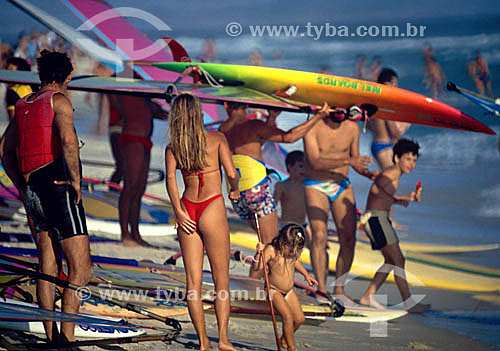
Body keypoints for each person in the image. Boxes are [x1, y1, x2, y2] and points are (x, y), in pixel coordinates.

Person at [0, 50, 92, 343]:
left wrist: (20, 184)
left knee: (47, 266)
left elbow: (4, 149)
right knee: (81, 269)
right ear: (67, 77)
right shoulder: (59, 101)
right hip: (57, 185)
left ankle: (52, 338)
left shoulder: (24, 104)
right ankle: (66, 339)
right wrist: (76, 181)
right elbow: (67, 141)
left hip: (33, 188)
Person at [219, 101, 330, 278]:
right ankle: (255, 289)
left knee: (266, 243)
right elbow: (290, 137)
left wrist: (271, 118)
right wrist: (318, 116)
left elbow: (253, 146)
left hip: (236, 195)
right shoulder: (252, 125)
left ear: (226, 106)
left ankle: (259, 287)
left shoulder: (222, 129)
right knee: (270, 245)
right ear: (246, 106)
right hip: (256, 191)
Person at [165, 94, 240, 351]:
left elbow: (171, 180)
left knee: (192, 282)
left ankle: (203, 342)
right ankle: (223, 339)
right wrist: (236, 188)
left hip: (187, 208)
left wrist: (179, 211)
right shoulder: (217, 139)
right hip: (212, 207)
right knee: (221, 281)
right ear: (198, 113)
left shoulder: (174, 146)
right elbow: (231, 173)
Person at [303, 107, 376, 302]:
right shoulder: (313, 127)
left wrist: (370, 174)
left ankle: (340, 290)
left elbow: (355, 161)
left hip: (341, 184)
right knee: (319, 235)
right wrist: (350, 160)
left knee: (349, 237)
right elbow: (315, 161)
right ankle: (322, 289)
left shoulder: (352, 128)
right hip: (315, 184)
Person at [359, 139, 430, 313]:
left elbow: (382, 193)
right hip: (375, 219)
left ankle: (368, 296)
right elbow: (378, 189)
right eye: (408, 159)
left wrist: (401, 200)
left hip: (378, 218)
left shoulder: (393, 173)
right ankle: (407, 302)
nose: (411, 164)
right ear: (397, 158)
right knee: (397, 260)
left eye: (414, 160)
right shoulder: (391, 173)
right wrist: (403, 199)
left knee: (393, 260)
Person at [108, 79, 168, 246]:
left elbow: (162, 114)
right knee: (130, 186)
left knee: (139, 188)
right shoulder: (126, 87)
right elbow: (116, 91)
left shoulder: (145, 95)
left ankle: (135, 232)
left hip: (144, 140)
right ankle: (125, 233)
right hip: (131, 139)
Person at [251, 223, 318, 351]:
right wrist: (259, 253)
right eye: (291, 250)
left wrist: (306, 275)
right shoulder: (271, 250)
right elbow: (257, 268)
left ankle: (284, 339)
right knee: (287, 317)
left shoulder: (291, 251)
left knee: (299, 319)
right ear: (282, 242)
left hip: (288, 291)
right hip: (273, 290)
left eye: (296, 251)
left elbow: (295, 262)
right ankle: (291, 348)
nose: (293, 253)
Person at [367, 68, 411, 170]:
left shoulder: (374, 100)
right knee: (390, 179)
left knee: (387, 178)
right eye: (394, 85)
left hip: (377, 144)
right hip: (384, 146)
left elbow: (369, 125)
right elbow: (392, 130)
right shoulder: (385, 104)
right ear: (387, 84)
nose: (396, 88)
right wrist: (407, 144)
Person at [273, 151, 313, 248]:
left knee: (314, 247)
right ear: (290, 167)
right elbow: (273, 207)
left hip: (303, 225)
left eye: (305, 167)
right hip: (287, 226)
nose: (304, 170)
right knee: (288, 252)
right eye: (300, 166)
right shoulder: (282, 186)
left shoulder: (307, 186)